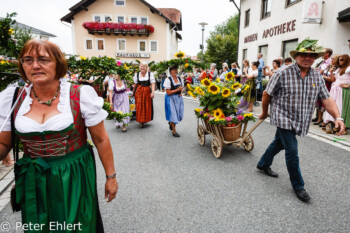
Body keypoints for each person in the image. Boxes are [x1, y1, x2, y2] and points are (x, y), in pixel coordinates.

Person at [0, 39, 118, 231]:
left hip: (73, 175)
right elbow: (4, 144)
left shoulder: (80, 94)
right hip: (34, 179)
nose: (35, 65)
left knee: (76, 226)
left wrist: (111, 177)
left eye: (43, 59)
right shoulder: (12, 98)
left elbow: (101, 139)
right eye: (28, 60)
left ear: (58, 63)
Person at [257, 39, 346, 202]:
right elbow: (266, 94)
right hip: (283, 116)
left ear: (315, 58)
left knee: (279, 142)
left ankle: (263, 163)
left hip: (300, 118)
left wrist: (338, 117)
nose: (307, 58)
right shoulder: (282, 73)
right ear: (296, 56)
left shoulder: (317, 77)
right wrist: (264, 112)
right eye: (303, 55)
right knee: (292, 149)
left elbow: (327, 99)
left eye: (311, 56)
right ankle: (298, 186)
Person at [322, 54, 350, 135]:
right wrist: (331, 72)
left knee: (340, 107)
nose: (340, 61)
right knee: (334, 106)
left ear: (346, 60)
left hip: (342, 91)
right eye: (339, 60)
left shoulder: (348, 68)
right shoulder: (338, 69)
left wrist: (348, 85)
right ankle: (334, 124)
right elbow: (333, 80)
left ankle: (341, 127)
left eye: (342, 60)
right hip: (334, 89)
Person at [133, 62, 156, 128]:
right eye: (141, 66)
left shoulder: (150, 74)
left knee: (146, 105)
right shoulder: (137, 74)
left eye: (144, 66)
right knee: (139, 105)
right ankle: (141, 121)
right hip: (139, 91)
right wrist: (133, 92)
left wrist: (153, 92)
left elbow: (152, 83)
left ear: (146, 68)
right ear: (139, 67)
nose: (142, 67)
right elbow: (135, 84)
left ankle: (145, 119)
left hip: (147, 91)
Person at [164, 65, 184, 137]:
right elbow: (168, 92)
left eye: (175, 70)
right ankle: (174, 131)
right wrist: (177, 90)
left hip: (178, 99)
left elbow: (181, 88)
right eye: (173, 70)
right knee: (173, 114)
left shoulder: (179, 78)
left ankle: (170, 123)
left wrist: (181, 92)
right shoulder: (168, 80)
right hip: (170, 99)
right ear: (170, 72)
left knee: (178, 113)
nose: (174, 71)